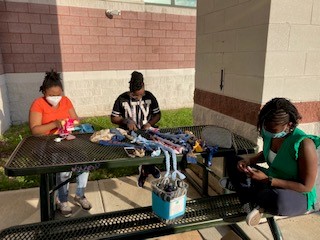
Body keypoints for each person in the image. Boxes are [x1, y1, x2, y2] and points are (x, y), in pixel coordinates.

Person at [221, 97, 320, 226]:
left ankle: (246, 189)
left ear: (289, 125)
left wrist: (268, 180)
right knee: (233, 159)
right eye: (265, 127)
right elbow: (269, 154)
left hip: (296, 194)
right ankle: (251, 199)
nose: (267, 132)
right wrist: (249, 160)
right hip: (271, 179)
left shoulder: (304, 144)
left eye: (272, 130)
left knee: (278, 199)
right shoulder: (270, 133)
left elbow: (306, 186)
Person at [29, 69, 92, 217]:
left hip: (68, 138)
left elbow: (76, 120)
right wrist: (54, 124)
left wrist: (69, 124)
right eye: (51, 95)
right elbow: (35, 130)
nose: (55, 98)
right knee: (64, 168)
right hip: (48, 142)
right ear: (44, 92)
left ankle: (80, 194)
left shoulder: (66, 101)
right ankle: (62, 200)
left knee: (85, 162)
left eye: (58, 95)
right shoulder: (38, 104)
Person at [111, 71, 161, 187]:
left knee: (151, 149)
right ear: (130, 90)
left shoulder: (149, 96)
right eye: (135, 96)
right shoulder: (122, 99)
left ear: (144, 85)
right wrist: (126, 120)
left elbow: (158, 115)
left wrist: (149, 124)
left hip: (147, 131)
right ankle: (148, 169)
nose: (138, 98)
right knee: (139, 151)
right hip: (129, 134)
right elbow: (113, 118)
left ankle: (146, 169)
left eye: (140, 95)